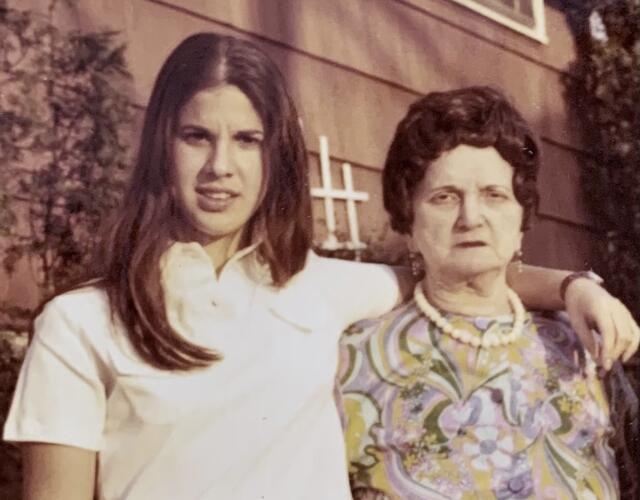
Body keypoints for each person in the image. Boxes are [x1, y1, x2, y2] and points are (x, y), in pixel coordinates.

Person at [3, 34, 637, 500]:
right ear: (161, 146)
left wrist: (575, 288)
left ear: (274, 154)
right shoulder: (80, 323)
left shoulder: (321, 286)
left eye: (247, 140)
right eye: (197, 136)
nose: (220, 166)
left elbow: (458, 267)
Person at [340, 86, 634, 499]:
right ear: (408, 221)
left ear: (521, 218)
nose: (471, 218)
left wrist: (576, 287)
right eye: (444, 198)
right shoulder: (353, 357)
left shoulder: (582, 340)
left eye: (494, 196)